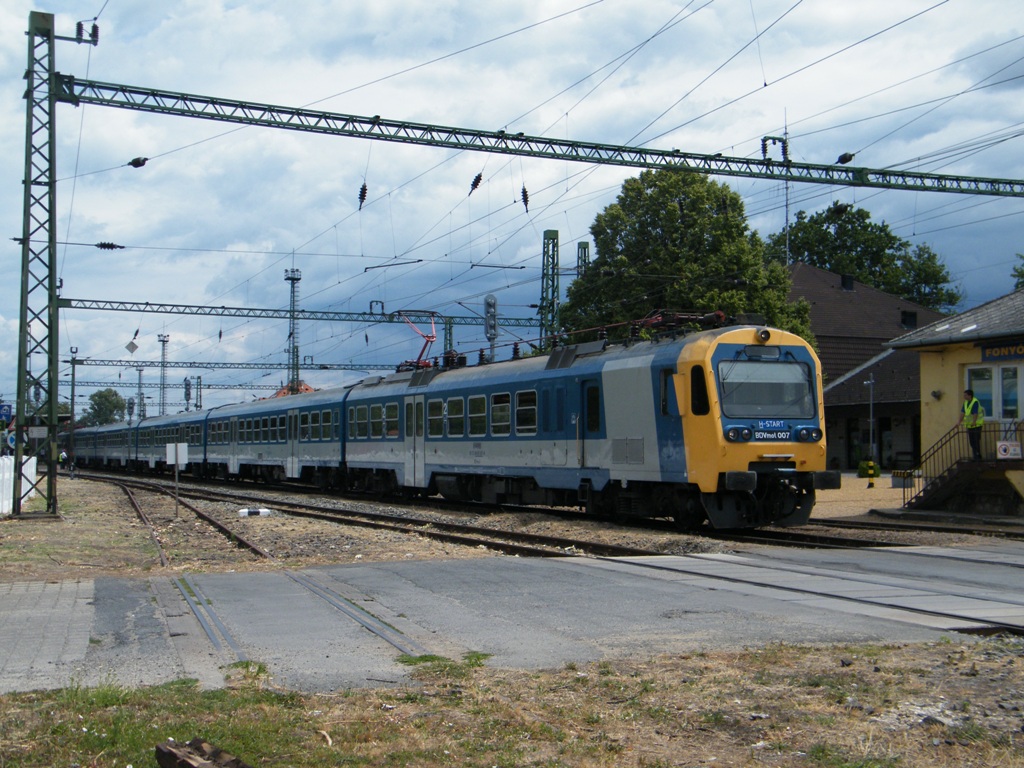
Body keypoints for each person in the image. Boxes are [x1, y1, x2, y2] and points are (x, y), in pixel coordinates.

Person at [957, 389, 984, 461]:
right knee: (972, 441)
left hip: (977, 425)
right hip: (969, 425)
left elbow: (975, 413)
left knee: (976, 440)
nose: (964, 396)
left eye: (965, 395)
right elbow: (962, 413)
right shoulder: (965, 403)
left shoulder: (975, 402)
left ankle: (977, 456)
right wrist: (959, 422)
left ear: (970, 395)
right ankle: (975, 455)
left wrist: (974, 422)